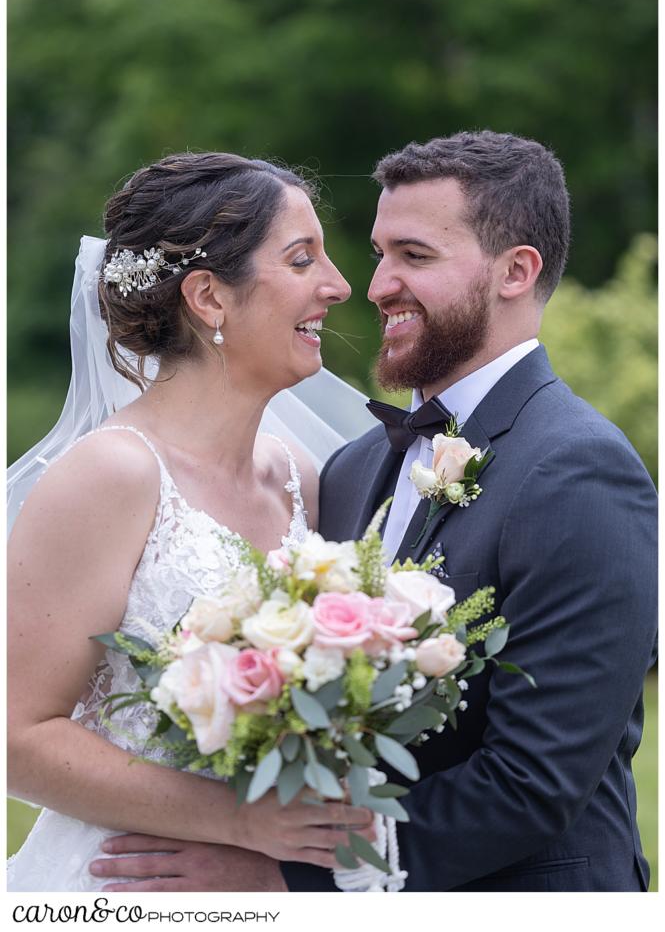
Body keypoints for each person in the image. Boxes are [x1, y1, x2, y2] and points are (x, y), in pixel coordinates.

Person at [97, 131, 657, 893]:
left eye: (415, 257)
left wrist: (290, 881)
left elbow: (533, 779)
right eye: (380, 254)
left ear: (515, 272)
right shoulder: (356, 466)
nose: (376, 285)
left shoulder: (579, 470)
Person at [7, 151, 377, 892]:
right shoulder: (111, 475)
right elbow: (15, 737)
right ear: (209, 297)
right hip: (127, 881)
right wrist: (238, 823)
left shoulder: (298, 477)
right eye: (302, 260)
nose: (338, 287)